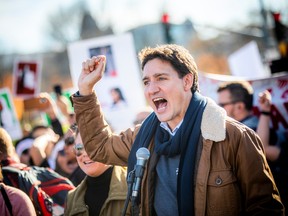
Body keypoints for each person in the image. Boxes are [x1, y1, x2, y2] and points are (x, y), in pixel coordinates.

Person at [71, 44, 284, 215]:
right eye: (146, 81)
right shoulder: (143, 138)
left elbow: (266, 207)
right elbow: (99, 147)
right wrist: (86, 90)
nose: (152, 88)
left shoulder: (235, 137)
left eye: (161, 78)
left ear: (187, 80)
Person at [64, 125, 130, 216]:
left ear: (109, 145)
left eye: (92, 146)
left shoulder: (134, 184)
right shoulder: (71, 198)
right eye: (79, 148)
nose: (85, 154)